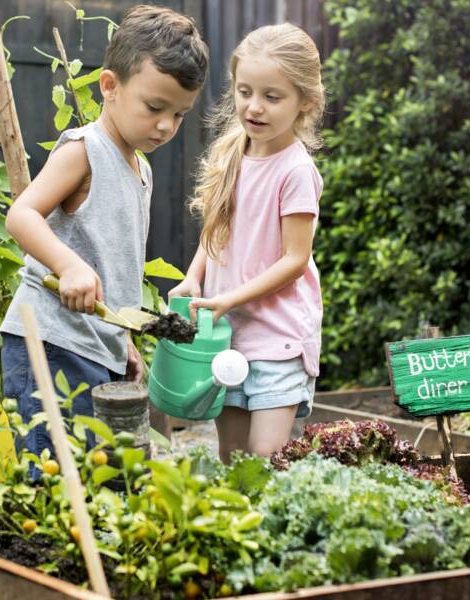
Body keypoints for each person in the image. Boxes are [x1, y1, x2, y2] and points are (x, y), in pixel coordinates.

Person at [0, 5, 208, 459]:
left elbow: (116, 264)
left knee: (96, 474)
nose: (166, 126)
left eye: (180, 114)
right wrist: (68, 264)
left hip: (99, 348)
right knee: (53, 477)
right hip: (50, 341)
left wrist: (124, 339)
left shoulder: (142, 171)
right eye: (154, 107)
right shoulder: (84, 150)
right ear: (110, 86)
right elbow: (21, 215)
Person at [169, 23, 325, 462]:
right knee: (232, 454)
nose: (254, 107)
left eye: (272, 97)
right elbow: (217, 225)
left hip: (278, 339)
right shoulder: (233, 151)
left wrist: (228, 298)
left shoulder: (295, 171)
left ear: (305, 102)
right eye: (244, 91)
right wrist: (194, 277)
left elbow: (296, 260)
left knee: (264, 457)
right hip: (226, 334)